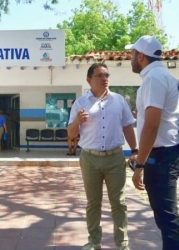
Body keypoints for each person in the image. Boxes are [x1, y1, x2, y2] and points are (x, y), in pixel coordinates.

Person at [67, 62, 137, 250]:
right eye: (100, 75)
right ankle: (94, 241)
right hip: (90, 159)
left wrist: (135, 151)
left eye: (107, 75)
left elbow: (128, 126)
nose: (105, 79)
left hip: (115, 157)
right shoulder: (81, 103)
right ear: (89, 80)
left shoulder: (119, 100)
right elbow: (71, 134)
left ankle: (122, 244)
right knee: (93, 203)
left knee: (119, 203)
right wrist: (77, 121)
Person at [126, 35, 179, 249]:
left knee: (168, 220)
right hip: (168, 152)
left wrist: (140, 164)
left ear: (140, 56)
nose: (130, 58)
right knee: (166, 218)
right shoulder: (165, 77)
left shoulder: (153, 79)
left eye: (131, 54)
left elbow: (151, 125)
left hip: (162, 156)